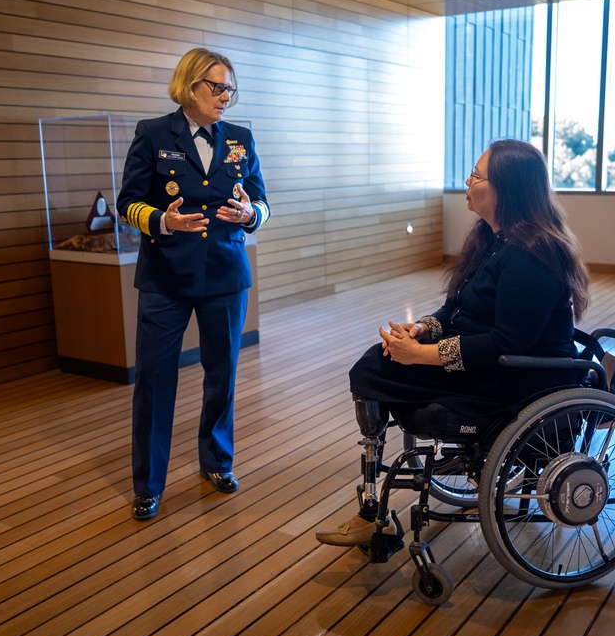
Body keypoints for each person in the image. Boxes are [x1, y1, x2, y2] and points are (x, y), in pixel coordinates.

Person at [315, 139, 589, 545]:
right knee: (382, 360)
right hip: (491, 364)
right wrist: (422, 330)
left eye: (477, 176)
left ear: (506, 189)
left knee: (375, 367)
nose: (467, 181)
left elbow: (505, 344)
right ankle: (372, 507)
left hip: (520, 379)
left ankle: (373, 509)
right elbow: (457, 309)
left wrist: (423, 356)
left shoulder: (534, 253)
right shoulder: (492, 237)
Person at [116, 47, 270, 520]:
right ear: (190, 85)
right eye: (218, 87)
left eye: (231, 89)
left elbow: (264, 201)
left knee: (221, 375)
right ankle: (148, 484)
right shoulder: (153, 133)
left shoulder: (240, 138)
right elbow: (127, 204)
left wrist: (250, 215)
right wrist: (163, 221)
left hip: (225, 275)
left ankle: (217, 462)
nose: (226, 96)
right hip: (165, 277)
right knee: (155, 380)